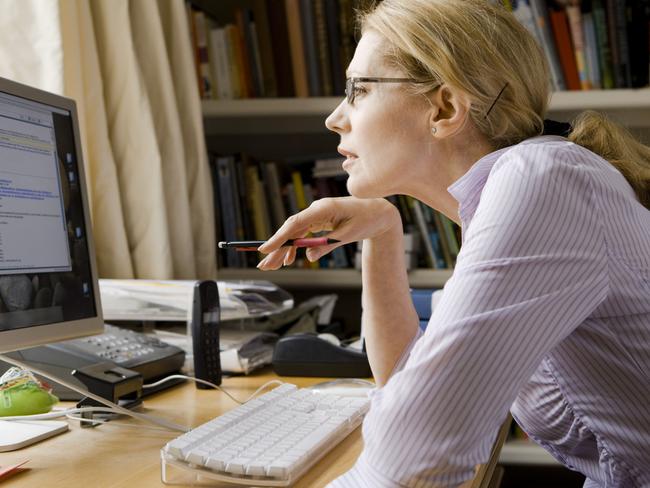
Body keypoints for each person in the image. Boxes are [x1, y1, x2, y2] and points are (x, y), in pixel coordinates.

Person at [257, 1, 650, 486]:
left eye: (358, 89)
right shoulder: (518, 192)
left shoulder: (543, 181)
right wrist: (383, 231)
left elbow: (414, 455)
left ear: (443, 108)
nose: (335, 118)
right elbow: (411, 382)